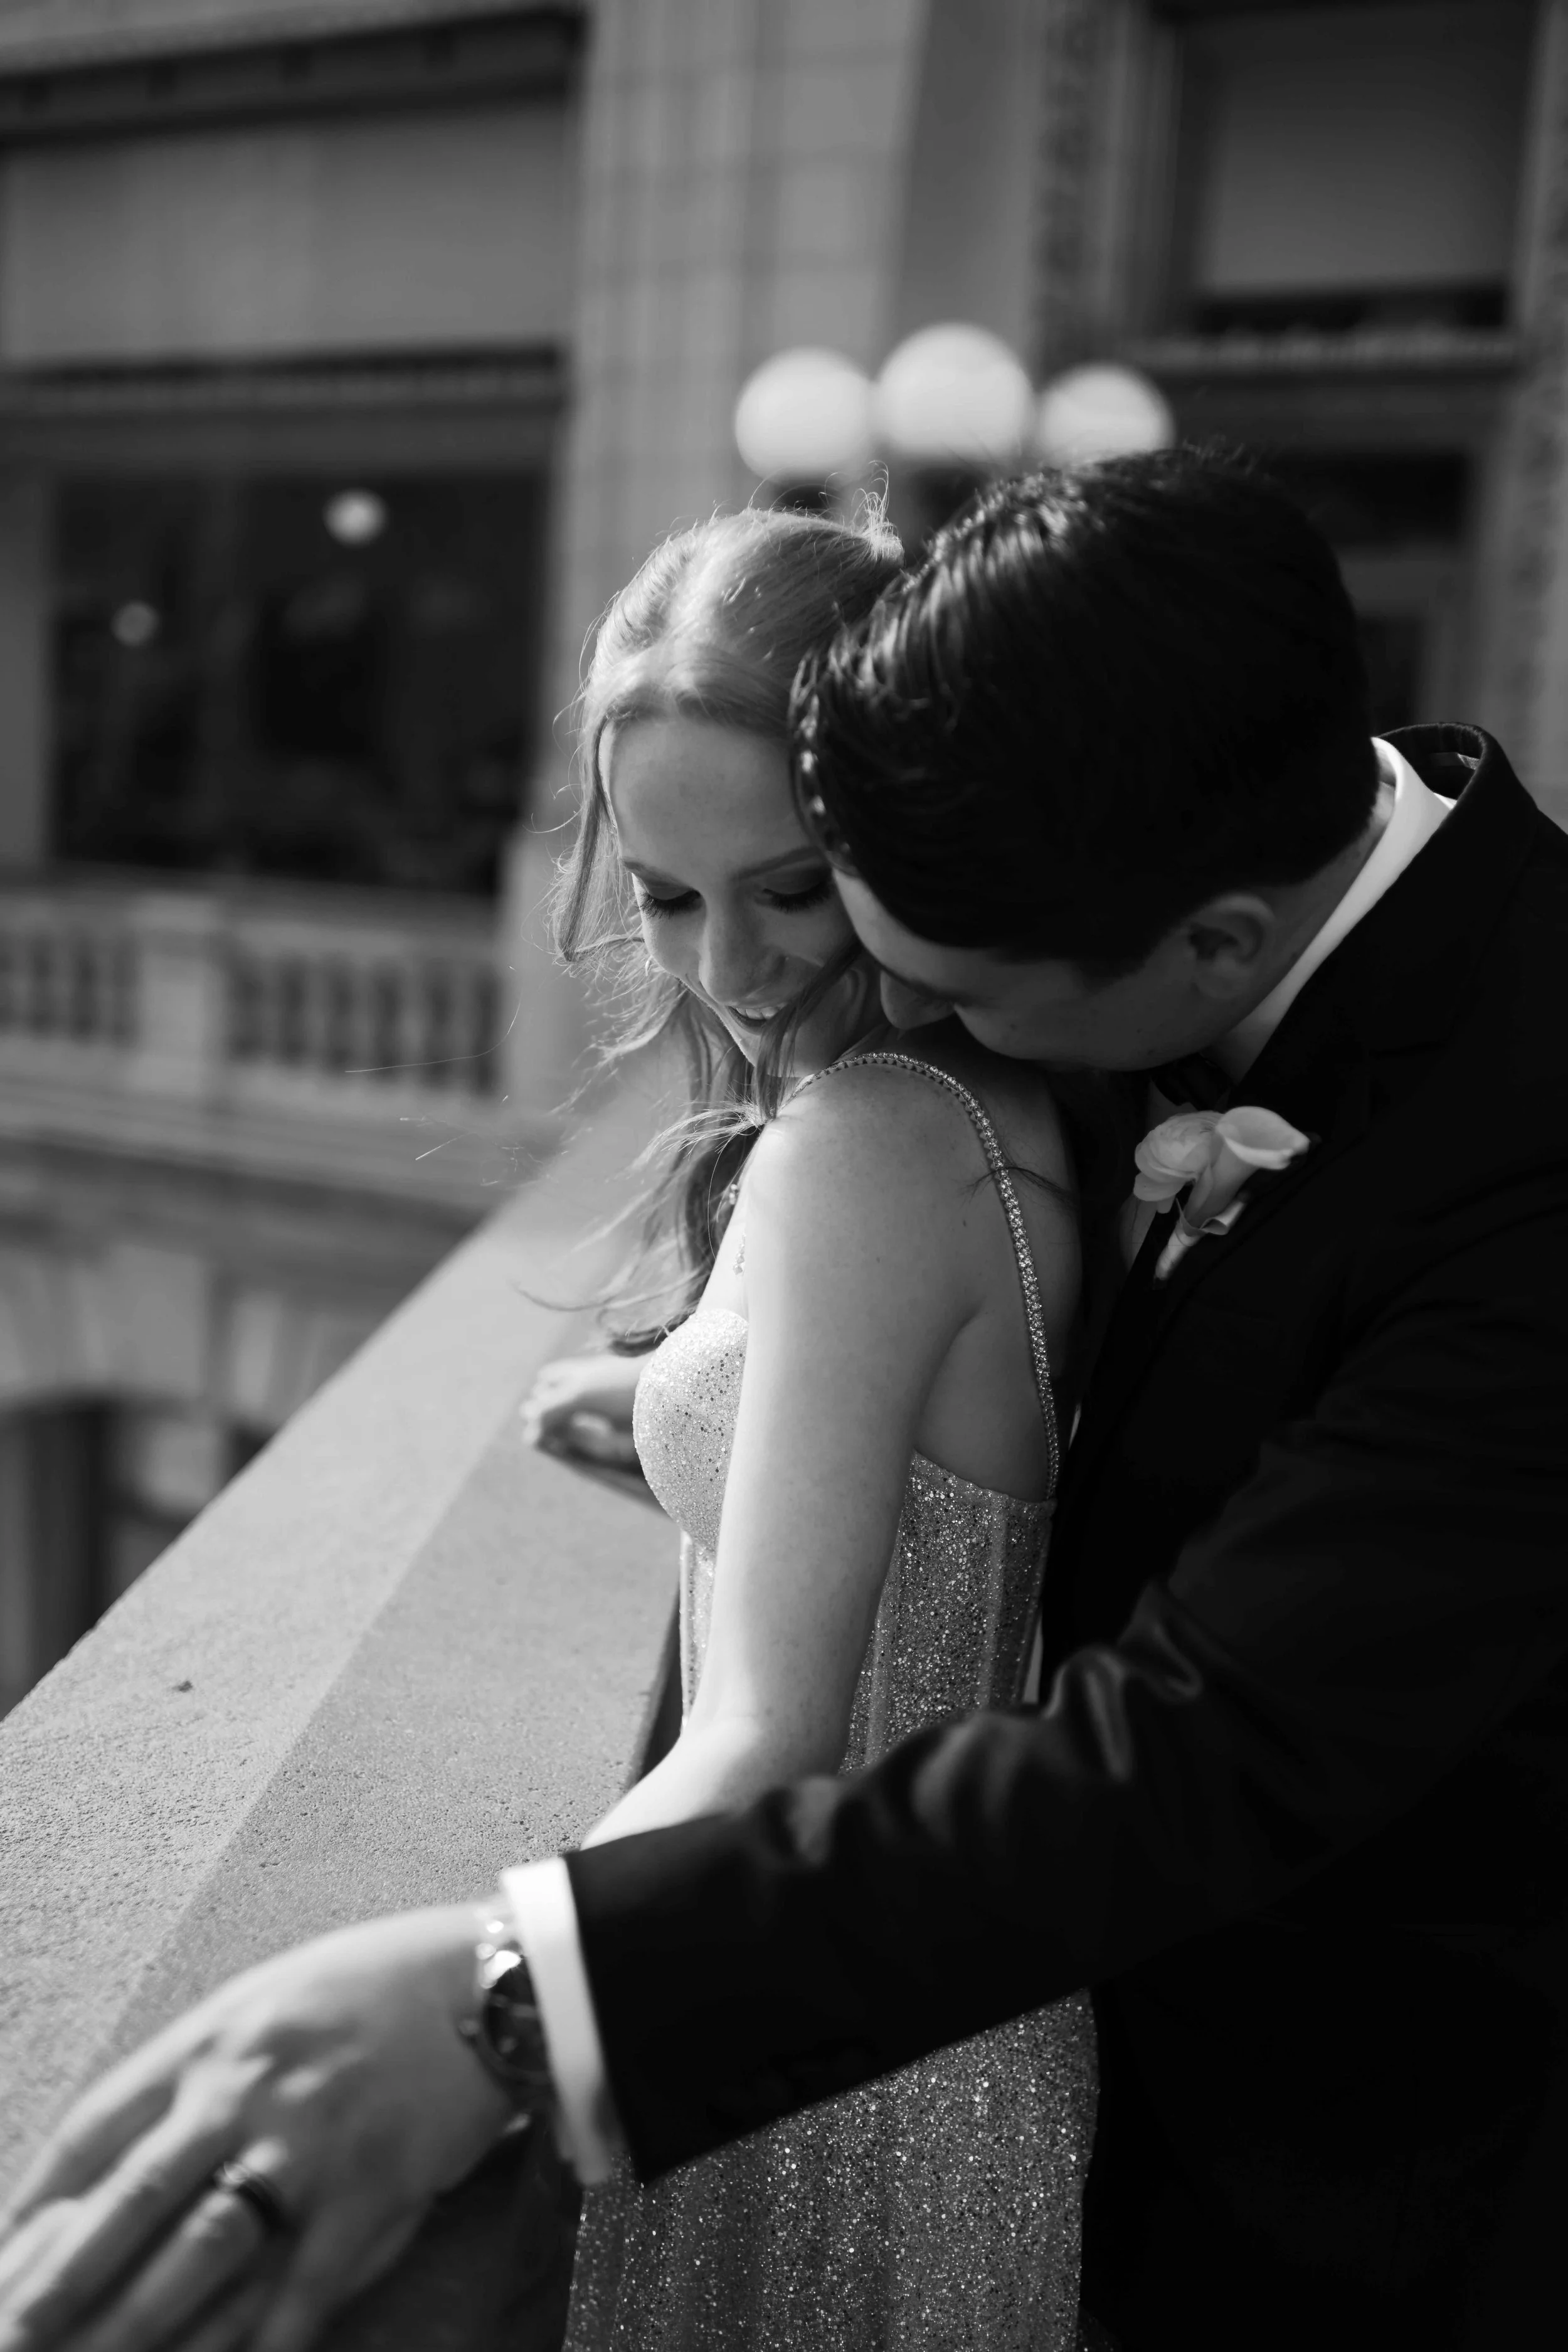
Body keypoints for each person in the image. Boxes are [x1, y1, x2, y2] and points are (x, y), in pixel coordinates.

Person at [3, 448, 1565, 2352]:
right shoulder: (1160, 824)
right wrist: (725, 1410)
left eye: (828, 910)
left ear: (1212, 946)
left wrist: (517, 1995)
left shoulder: (1498, 1137)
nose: (772, 985)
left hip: (1354, 2160)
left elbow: (1199, 1746)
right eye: (670, 895)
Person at [0, 505, 1101, 2352]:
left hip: (822, 2055)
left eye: (790, 884)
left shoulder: (867, 1144)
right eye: (669, 898)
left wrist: (461, 1997)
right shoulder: (981, 1104)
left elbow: (760, 1746)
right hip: (948, 2018)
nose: (728, 967)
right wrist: (681, 1417)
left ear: (909, 830)